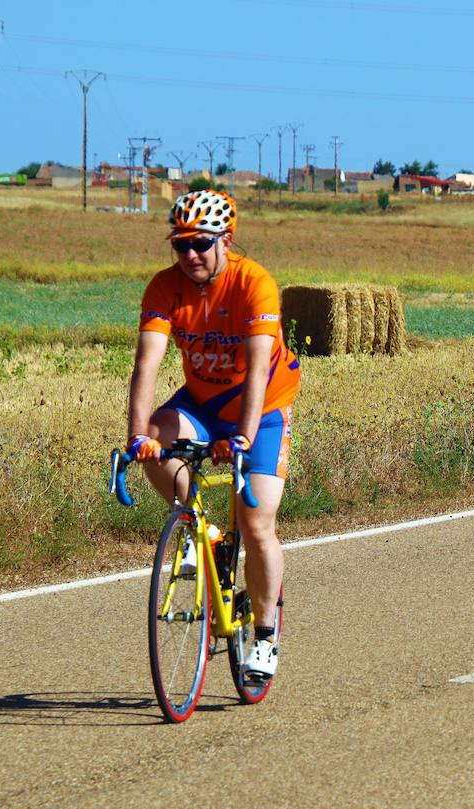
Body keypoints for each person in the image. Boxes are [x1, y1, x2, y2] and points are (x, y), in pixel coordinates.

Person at [125, 189, 301, 683]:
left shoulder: (254, 283)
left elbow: (261, 371)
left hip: (261, 411)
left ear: (226, 239)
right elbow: (147, 363)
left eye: (201, 244)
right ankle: (195, 521)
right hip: (203, 403)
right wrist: (137, 437)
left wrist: (242, 438)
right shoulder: (165, 287)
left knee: (257, 520)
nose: (190, 256)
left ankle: (264, 637)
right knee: (155, 437)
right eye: (180, 246)